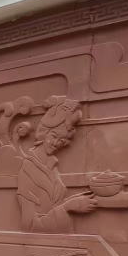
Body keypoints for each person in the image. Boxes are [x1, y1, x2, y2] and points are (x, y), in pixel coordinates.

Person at [16, 96, 97, 234]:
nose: (56, 144)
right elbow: (29, 226)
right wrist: (68, 207)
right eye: (53, 136)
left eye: (62, 141)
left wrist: (75, 201)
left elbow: (53, 205)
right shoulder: (27, 171)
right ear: (43, 133)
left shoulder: (51, 166)